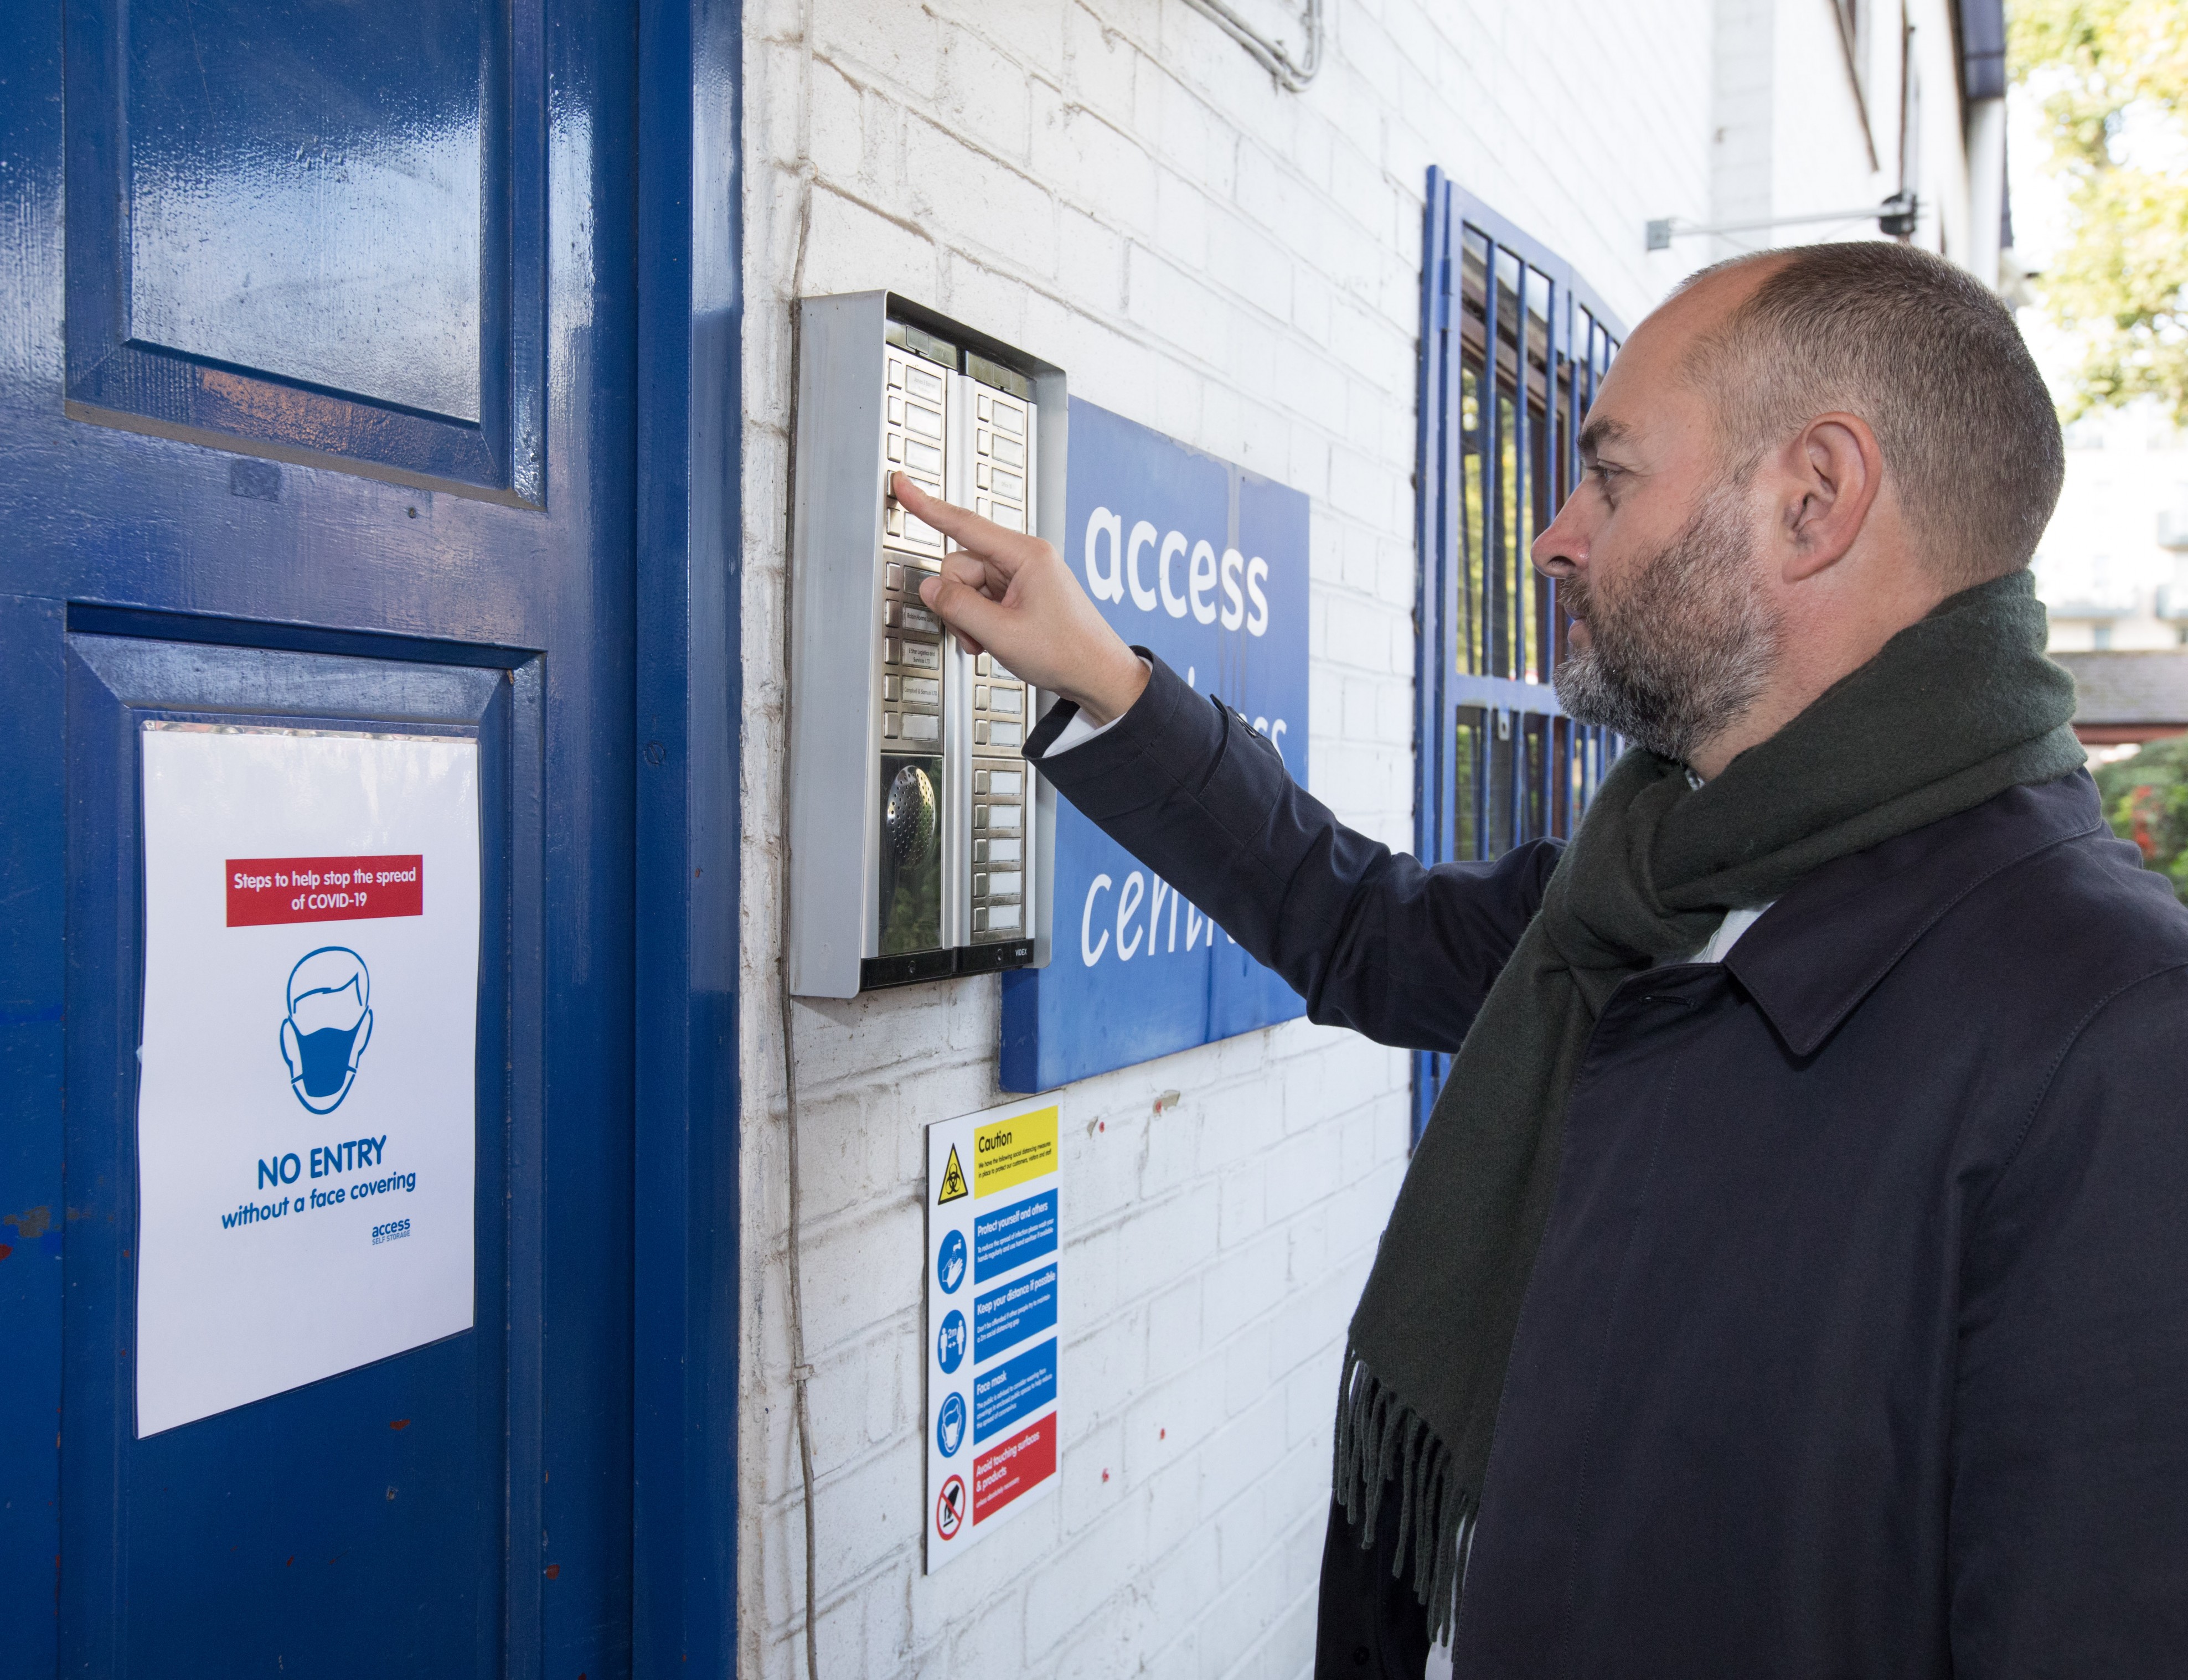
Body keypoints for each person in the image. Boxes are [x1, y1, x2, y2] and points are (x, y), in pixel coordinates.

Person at [893, 240, 2188, 1678]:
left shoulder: (2114, 1030)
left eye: (1613, 476)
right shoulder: (1649, 877)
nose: (1554, 534)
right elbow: (1365, 932)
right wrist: (1110, 682)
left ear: (1813, 500)